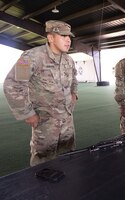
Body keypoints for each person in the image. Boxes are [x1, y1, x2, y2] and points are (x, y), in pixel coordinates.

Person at [3, 20, 78, 166]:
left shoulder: (69, 60)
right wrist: (28, 113)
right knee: (43, 163)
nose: (68, 40)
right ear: (50, 38)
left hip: (67, 123)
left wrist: (74, 93)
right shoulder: (30, 57)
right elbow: (12, 84)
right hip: (45, 124)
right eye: (63, 36)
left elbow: (74, 79)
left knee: (69, 160)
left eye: (69, 36)